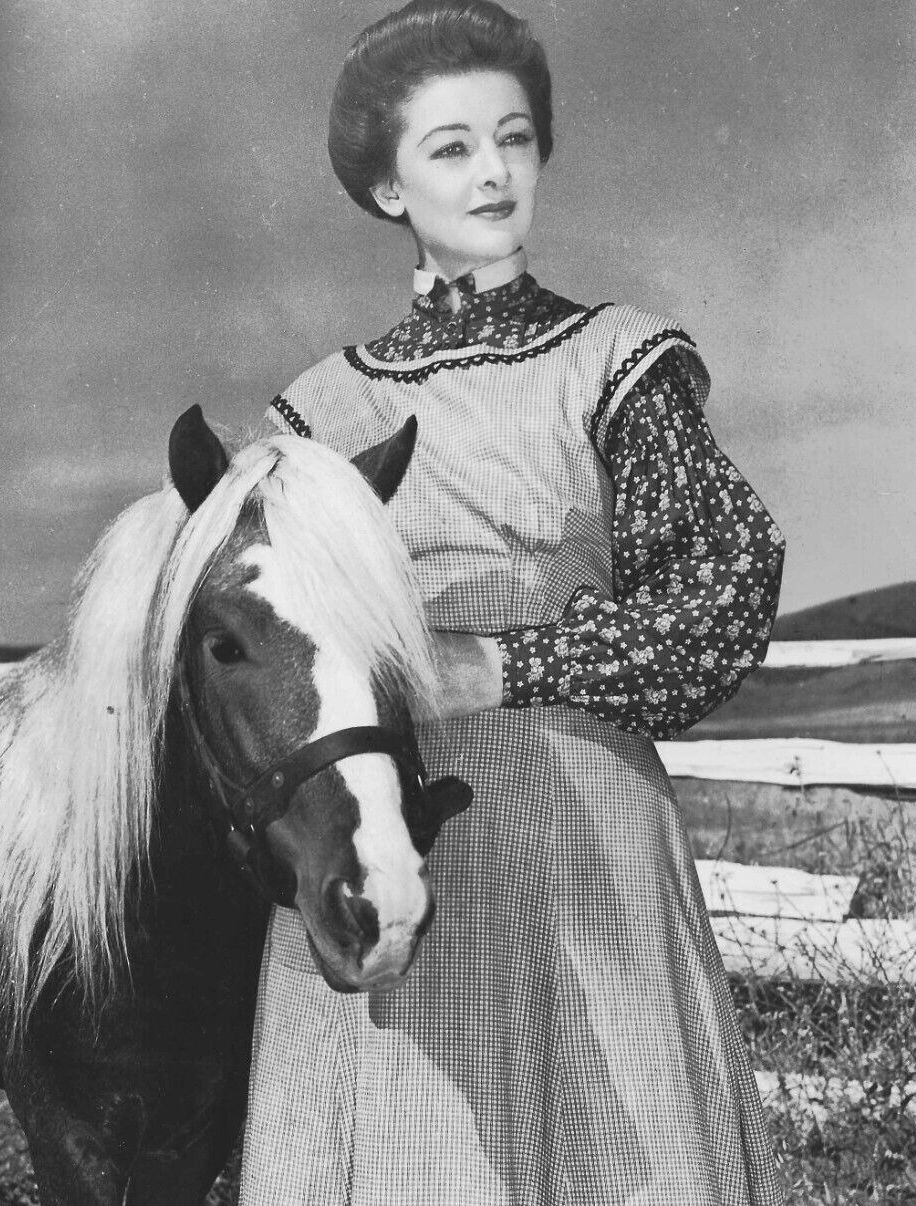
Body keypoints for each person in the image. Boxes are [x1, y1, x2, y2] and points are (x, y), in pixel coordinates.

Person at [241, 2, 786, 1202]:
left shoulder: (617, 361)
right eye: (451, 147)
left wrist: (498, 666)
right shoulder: (311, 419)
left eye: (515, 138)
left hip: (583, 850)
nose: (493, 172)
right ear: (388, 187)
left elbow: (720, 594)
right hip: (384, 861)